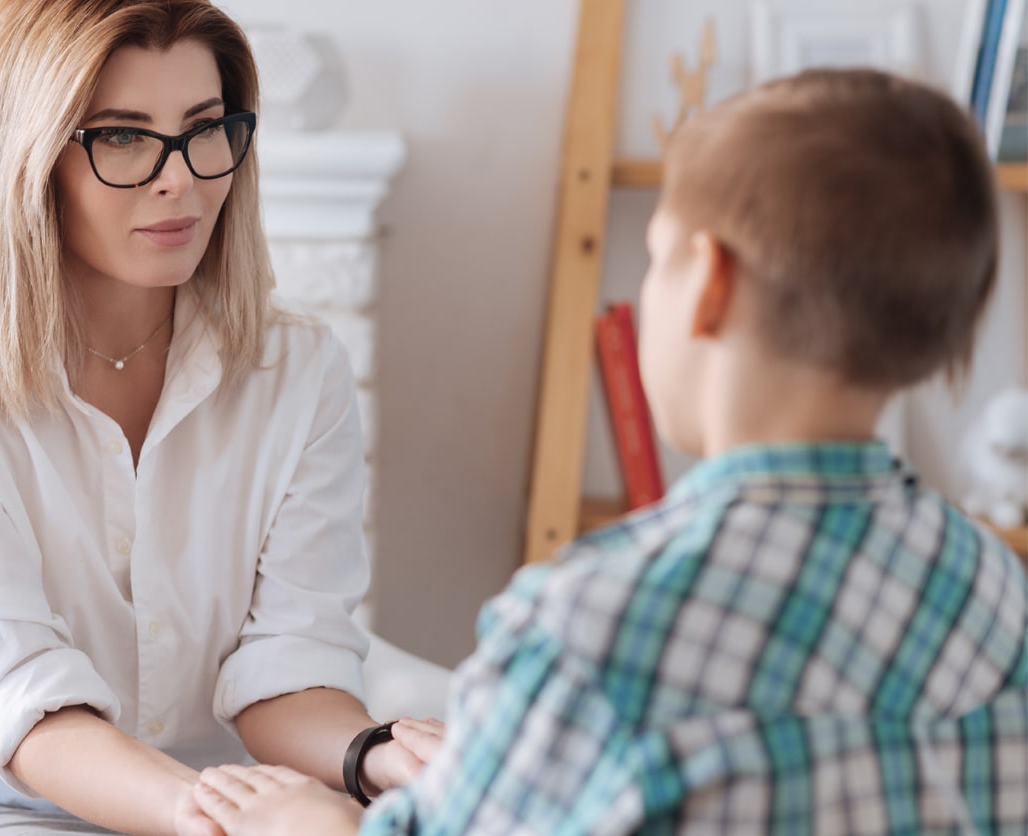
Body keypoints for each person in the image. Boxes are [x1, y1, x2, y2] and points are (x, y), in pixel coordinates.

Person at [189, 68, 1028, 834]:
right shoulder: (991, 584)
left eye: (656, 258)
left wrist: (311, 822)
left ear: (711, 282)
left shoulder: (592, 622)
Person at [0, 2, 428, 835]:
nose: (182, 178)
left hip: (198, 793)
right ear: (31, 158)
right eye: (122, 135)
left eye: (205, 128)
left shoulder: (299, 374)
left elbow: (288, 667)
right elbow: (26, 708)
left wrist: (379, 757)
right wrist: (225, 818)